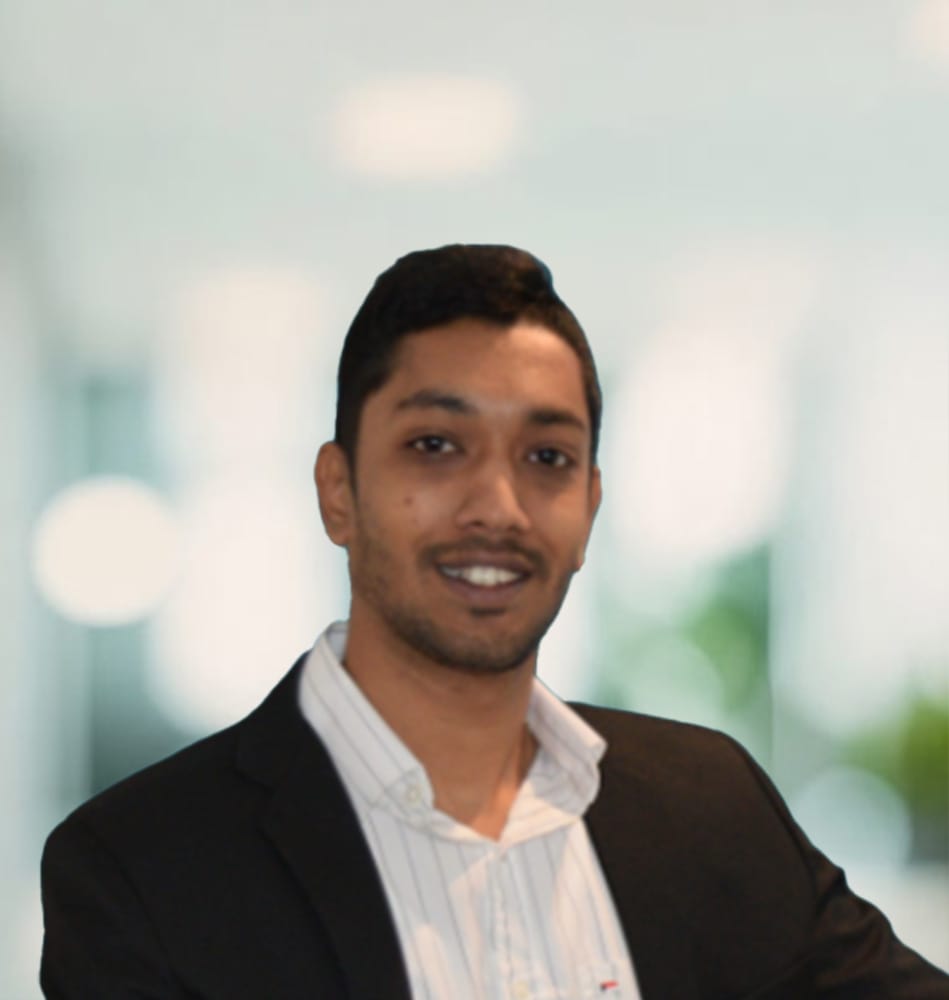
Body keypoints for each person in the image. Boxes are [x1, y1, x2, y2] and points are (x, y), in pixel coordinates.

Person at [40, 244, 948, 999]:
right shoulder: (140, 869)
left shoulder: (710, 807)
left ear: (588, 509)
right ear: (337, 492)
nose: (498, 506)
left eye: (546, 457)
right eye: (435, 445)